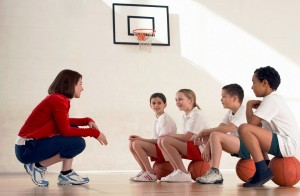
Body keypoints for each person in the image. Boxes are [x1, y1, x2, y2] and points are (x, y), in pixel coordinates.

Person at [15, 69, 108, 186]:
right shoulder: (57, 100)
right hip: (27, 148)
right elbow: (65, 130)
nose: (82, 88)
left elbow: (64, 123)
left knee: (74, 130)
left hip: (29, 146)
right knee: (78, 143)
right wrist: (94, 133)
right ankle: (38, 166)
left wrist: (87, 120)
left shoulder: (59, 99)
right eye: (80, 84)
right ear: (70, 84)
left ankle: (66, 173)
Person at [238, 66, 300, 187]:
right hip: (285, 143)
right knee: (252, 131)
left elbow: (250, 125)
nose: (251, 86)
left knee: (244, 128)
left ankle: (262, 170)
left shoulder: (271, 99)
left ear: (265, 83)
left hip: (287, 144)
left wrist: (249, 105)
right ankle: (264, 166)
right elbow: (255, 127)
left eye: (254, 82)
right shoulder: (273, 100)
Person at [194, 83, 246, 184]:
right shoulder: (230, 112)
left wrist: (203, 131)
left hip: (248, 147)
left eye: (223, 97)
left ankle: (215, 171)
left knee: (213, 135)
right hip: (237, 144)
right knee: (208, 137)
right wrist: (207, 145)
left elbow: (227, 128)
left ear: (235, 98)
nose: (221, 99)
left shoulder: (243, 111)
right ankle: (212, 172)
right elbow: (219, 128)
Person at [158, 89, 210, 182]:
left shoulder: (197, 114)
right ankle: (177, 171)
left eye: (180, 99)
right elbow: (187, 138)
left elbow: (187, 137)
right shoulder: (185, 115)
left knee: (165, 140)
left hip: (202, 151)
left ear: (190, 100)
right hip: (193, 146)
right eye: (176, 100)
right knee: (161, 140)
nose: (177, 102)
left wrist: (170, 135)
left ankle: (183, 173)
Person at [129, 93, 177, 182]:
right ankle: (145, 171)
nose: (156, 105)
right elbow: (155, 140)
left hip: (166, 150)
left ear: (165, 105)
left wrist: (140, 139)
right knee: (131, 144)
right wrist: (139, 139)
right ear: (150, 105)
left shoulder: (165, 119)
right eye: (153, 103)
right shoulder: (157, 119)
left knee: (136, 143)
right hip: (159, 147)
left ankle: (150, 173)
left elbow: (161, 141)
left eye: (159, 103)